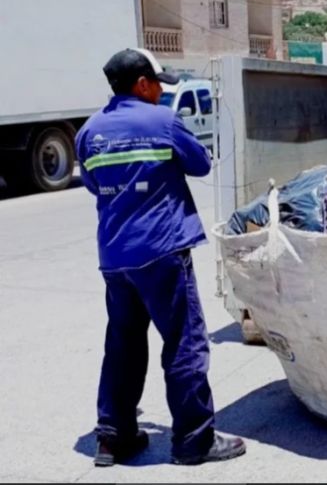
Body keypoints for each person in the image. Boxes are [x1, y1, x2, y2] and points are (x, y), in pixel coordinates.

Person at [75, 48, 246, 467]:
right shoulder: (164, 120)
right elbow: (201, 164)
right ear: (142, 84)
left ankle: (114, 437)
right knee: (184, 342)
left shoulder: (88, 132)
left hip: (115, 258)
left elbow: (96, 186)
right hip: (162, 250)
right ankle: (193, 441)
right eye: (157, 85)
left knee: (123, 344)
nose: (160, 93)